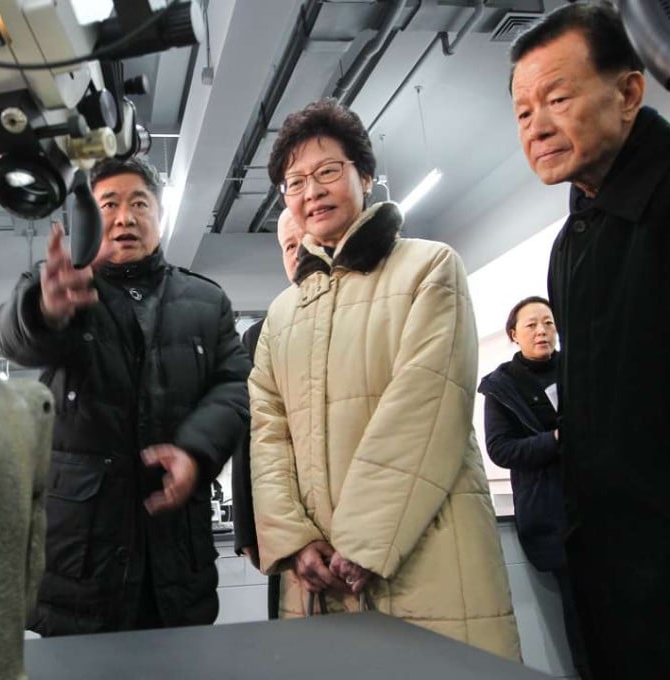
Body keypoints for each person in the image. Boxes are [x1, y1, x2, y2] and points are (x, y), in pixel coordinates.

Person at [248, 98, 519, 660]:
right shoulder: (280, 315)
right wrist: (295, 541)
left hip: (426, 556)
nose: (312, 191)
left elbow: (425, 407)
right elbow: (267, 436)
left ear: (365, 176)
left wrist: (363, 543)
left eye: (328, 171)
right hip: (317, 578)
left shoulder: (429, 268)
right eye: (295, 182)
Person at [509, 3, 670, 677]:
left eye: (557, 99)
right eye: (523, 112)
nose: (537, 126)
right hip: (611, 583)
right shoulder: (572, 244)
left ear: (628, 93)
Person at [0, 156, 250, 636]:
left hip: (175, 557)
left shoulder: (207, 302)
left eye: (139, 204)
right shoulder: (64, 286)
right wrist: (42, 311)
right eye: (109, 204)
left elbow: (235, 386)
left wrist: (196, 452)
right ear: (90, 218)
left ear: (160, 215)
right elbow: (9, 336)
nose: (125, 218)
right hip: (79, 562)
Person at [478, 297, 587, 677]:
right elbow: (500, 449)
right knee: (581, 616)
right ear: (514, 334)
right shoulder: (501, 387)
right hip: (553, 517)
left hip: (605, 510)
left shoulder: (580, 369)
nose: (542, 331)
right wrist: (554, 439)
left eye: (549, 323)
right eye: (532, 325)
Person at [232, 208, 302, 619]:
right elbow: (250, 433)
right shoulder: (261, 334)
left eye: (305, 242)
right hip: (288, 522)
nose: (298, 254)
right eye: (289, 247)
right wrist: (248, 527)